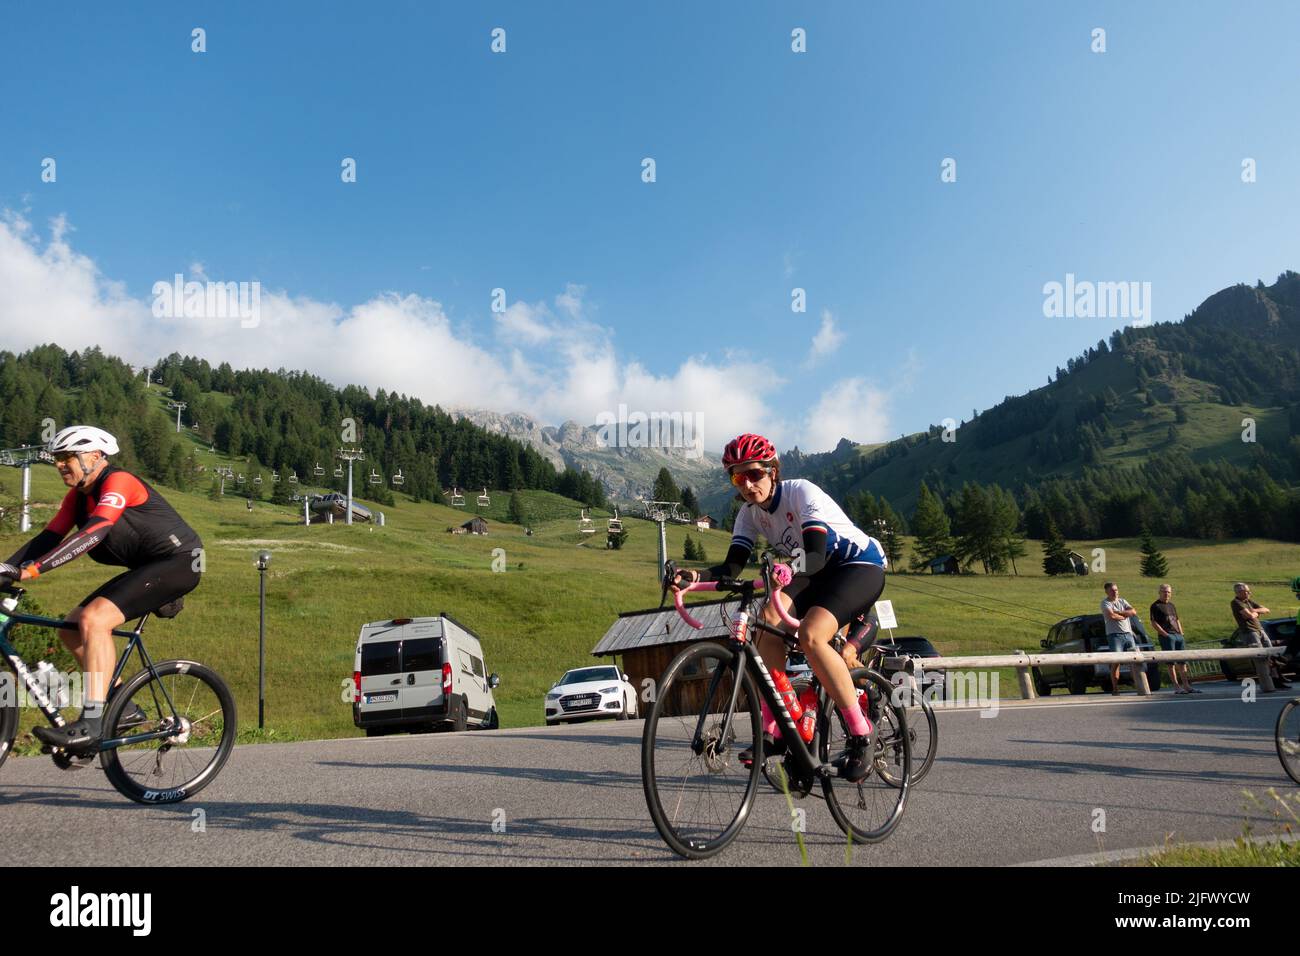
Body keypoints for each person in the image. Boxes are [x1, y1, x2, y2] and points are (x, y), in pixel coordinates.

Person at [669, 433, 888, 782]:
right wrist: (692, 576)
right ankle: (779, 723)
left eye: (755, 474)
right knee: (766, 622)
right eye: (738, 477)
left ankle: (861, 732)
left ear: (773, 471)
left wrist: (787, 569)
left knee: (811, 635)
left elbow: (815, 555)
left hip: (856, 566)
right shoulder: (748, 514)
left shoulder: (801, 492)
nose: (748, 484)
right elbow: (731, 568)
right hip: (810, 570)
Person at [0, 426, 204, 752]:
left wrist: (35, 569)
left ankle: (91, 723)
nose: (60, 465)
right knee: (71, 628)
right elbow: (47, 538)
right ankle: (124, 707)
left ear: (95, 456)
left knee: (95, 620)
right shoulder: (77, 498)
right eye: (56, 459)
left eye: (68, 457)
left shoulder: (119, 482)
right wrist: (4, 571)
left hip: (182, 562)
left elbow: (94, 532)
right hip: (147, 569)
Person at [1230, 583, 1291, 689]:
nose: (1249, 593)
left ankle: (1277, 679)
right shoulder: (1236, 602)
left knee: (1272, 654)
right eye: (1246, 591)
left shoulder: (1249, 602)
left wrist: (1255, 611)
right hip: (1250, 632)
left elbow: (1266, 609)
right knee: (1261, 658)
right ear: (1239, 592)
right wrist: (1255, 613)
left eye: (1249, 591)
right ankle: (1268, 683)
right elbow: (1249, 615)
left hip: (1260, 630)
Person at [1150, 584, 1196, 694]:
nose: (1167, 594)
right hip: (1167, 637)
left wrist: (1181, 632)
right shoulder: (1155, 606)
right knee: (1171, 663)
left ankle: (1186, 686)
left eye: (1169, 592)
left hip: (1178, 635)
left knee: (1182, 662)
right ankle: (1176, 687)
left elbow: (1177, 619)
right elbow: (1154, 622)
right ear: (1159, 592)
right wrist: (1164, 634)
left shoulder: (1171, 605)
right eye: (1164, 591)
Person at [1100, 582, 1144, 695]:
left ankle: (1140, 686)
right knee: (1116, 662)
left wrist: (1120, 612)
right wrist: (1125, 615)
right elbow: (1112, 616)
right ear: (1107, 592)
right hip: (1114, 635)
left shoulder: (1122, 601)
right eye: (1112, 590)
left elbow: (1133, 612)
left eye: (1116, 590)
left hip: (1128, 634)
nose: (1115, 592)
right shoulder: (1105, 603)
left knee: (1134, 661)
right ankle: (1115, 689)